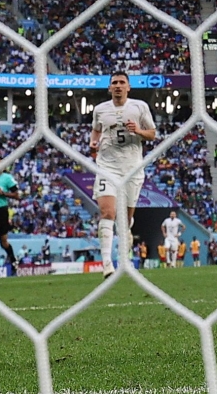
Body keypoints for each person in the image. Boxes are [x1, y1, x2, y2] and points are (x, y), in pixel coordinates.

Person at [89, 71, 155, 279]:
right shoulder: (100, 110)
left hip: (133, 169)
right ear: (109, 88)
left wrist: (138, 131)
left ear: (128, 87)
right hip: (107, 167)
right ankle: (107, 264)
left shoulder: (139, 107)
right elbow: (96, 131)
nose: (118, 86)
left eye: (121, 82)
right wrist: (93, 143)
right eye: (114, 83)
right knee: (108, 213)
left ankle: (125, 250)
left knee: (124, 221)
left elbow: (152, 134)